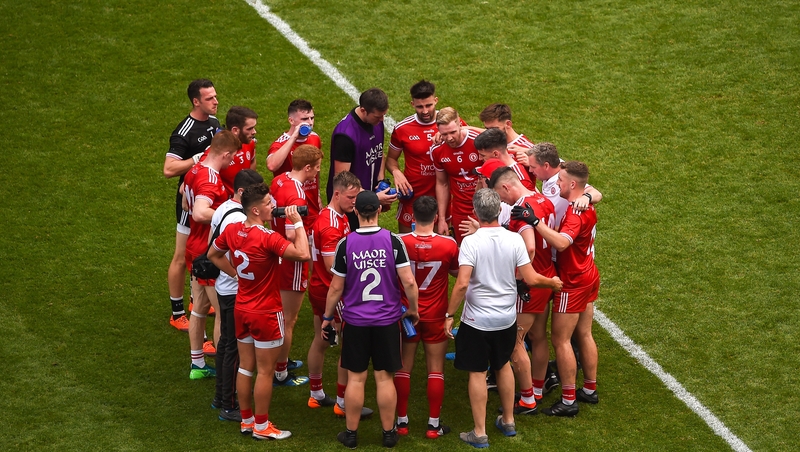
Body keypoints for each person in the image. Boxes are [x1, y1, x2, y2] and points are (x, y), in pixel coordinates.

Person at [444, 189, 562, 448]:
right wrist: (551, 283)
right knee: (503, 365)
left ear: (476, 212)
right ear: (499, 211)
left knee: (477, 372)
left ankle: (479, 431)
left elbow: (462, 284)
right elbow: (531, 279)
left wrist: (449, 314)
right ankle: (508, 420)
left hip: (477, 321)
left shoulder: (471, 243)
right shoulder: (514, 240)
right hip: (506, 318)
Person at [208, 183, 311, 440]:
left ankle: (246, 421)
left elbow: (212, 254)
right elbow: (303, 254)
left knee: (245, 367)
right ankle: (263, 427)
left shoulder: (232, 230)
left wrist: (235, 274)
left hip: (241, 307)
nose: (273, 206)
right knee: (265, 371)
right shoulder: (267, 238)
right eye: (268, 203)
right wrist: (297, 223)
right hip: (266, 312)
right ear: (255, 210)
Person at [320, 191, 419, 449]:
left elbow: (335, 289)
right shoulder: (393, 241)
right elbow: (409, 281)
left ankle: (351, 434)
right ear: (378, 211)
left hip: (356, 322)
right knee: (385, 377)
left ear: (356, 212)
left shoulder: (346, 243)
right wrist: (414, 309)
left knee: (356, 378)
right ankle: (388, 434)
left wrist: (328, 317)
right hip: (387, 321)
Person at [511, 161, 600, 417]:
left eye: (560, 181)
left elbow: (561, 243)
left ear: (572, 184)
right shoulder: (587, 203)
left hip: (572, 281)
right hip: (589, 272)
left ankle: (569, 400)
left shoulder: (576, 212)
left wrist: (535, 221)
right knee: (584, 334)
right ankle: (590, 390)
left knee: (561, 340)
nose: (556, 184)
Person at [489, 167, 557, 412]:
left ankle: (527, 399)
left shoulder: (520, 212)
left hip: (529, 284)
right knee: (538, 336)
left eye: (500, 194)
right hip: (546, 276)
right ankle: (537, 389)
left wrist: (518, 278)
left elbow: (529, 248)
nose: (502, 201)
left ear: (506, 187)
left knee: (515, 342)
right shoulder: (543, 200)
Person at [307, 171, 374, 419]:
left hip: (318, 288)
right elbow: (330, 265)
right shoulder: (331, 225)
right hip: (333, 292)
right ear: (337, 194)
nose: (354, 202)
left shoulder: (333, 216)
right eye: (351, 197)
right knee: (348, 347)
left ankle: (316, 394)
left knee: (321, 340)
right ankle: (343, 403)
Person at [394, 196, 459, 439]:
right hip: (435, 315)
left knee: (403, 368)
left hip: (406, 315)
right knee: (435, 369)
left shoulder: (397, 242)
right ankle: (433, 425)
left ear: (412, 217)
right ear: (434, 218)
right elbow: (455, 271)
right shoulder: (448, 244)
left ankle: (402, 422)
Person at [163, 79, 220, 331]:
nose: (215, 101)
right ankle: (177, 313)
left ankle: (195, 300)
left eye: (215, 96)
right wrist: (196, 158)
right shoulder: (185, 131)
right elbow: (169, 169)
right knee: (181, 255)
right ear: (196, 101)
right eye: (209, 98)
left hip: (207, 196)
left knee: (203, 249)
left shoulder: (215, 123)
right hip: (188, 201)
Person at [182, 130, 238, 379]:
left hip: (193, 248)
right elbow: (198, 212)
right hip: (208, 252)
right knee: (222, 312)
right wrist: (227, 212)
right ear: (225, 154)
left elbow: (185, 201)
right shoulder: (210, 179)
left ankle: (197, 365)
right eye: (232, 158)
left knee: (199, 308)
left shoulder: (193, 170)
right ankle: (226, 368)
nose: (232, 163)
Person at [209, 169, 264, 421]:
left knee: (226, 344)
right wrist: (238, 275)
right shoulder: (235, 220)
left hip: (224, 287)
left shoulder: (223, 208)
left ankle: (220, 396)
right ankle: (229, 405)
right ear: (242, 192)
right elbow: (217, 254)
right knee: (232, 348)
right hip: (233, 290)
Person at [269, 144, 324, 387]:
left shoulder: (280, 180)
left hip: (276, 253)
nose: (318, 173)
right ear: (308, 167)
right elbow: (292, 235)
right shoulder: (297, 196)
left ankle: (281, 360)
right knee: (288, 319)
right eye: (318, 168)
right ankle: (280, 372)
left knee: (281, 314)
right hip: (291, 261)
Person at [387, 80, 460, 233]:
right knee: (408, 247)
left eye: (429, 105)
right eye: (420, 106)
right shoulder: (402, 129)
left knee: (442, 248)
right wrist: (396, 172)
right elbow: (391, 159)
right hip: (413, 197)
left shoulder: (449, 124)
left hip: (443, 198)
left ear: (436, 100)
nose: (425, 111)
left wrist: (446, 134)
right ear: (412, 104)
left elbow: (472, 139)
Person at [327, 88, 397, 229]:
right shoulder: (345, 135)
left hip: (367, 198)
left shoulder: (376, 122)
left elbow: (378, 153)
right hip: (349, 205)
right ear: (364, 110)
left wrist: (380, 183)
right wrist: (374, 198)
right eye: (378, 116)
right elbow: (342, 180)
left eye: (384, 115)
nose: (382, 119)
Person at [267, 99, 323, 225]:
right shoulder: (280, 144)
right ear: (291, 121)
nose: (310, 123)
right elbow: (272, 165)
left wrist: (317, 193)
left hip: (312, 208)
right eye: (304, 119)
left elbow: (316, 167)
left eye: (311, 118)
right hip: (290, 210)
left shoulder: (314, 138)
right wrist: (294, 138)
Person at [431, 107, 482, 244]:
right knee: (465, 250)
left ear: (461, 124)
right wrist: (442, 219)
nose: (449, 138)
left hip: (485, 206)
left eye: (453, 132)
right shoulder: (437, 150)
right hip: (461, 210)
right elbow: (442, 183)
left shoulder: (478, 141)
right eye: (444, 134)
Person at [213, 106, 258, 197]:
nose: (254, 132)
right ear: (235, 130)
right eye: (249, 129)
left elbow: (252, 161)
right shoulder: (218, 151)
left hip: (245, 200)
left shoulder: (250, 143)